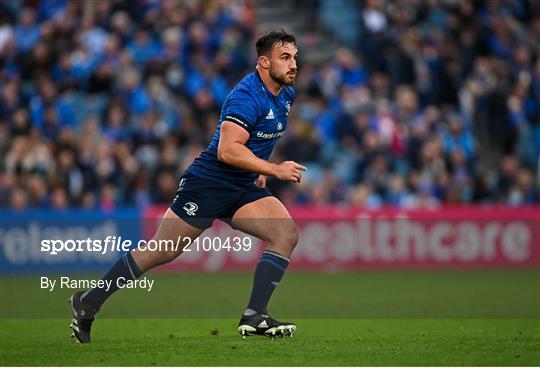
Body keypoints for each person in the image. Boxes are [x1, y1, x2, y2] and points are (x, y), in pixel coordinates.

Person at [69, 30, 306, 343]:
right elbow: (227, 150)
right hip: (208, 183)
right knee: (160, 251)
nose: (293, 65)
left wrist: (259, 168)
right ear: (264, 62)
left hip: (243, 185)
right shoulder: (246, 96)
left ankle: (254, 315)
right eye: (285, 57)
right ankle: (88, 303)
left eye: (295, 57)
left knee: (285, 234)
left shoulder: (286, 93)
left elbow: (263, 136)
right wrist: (273, 169)